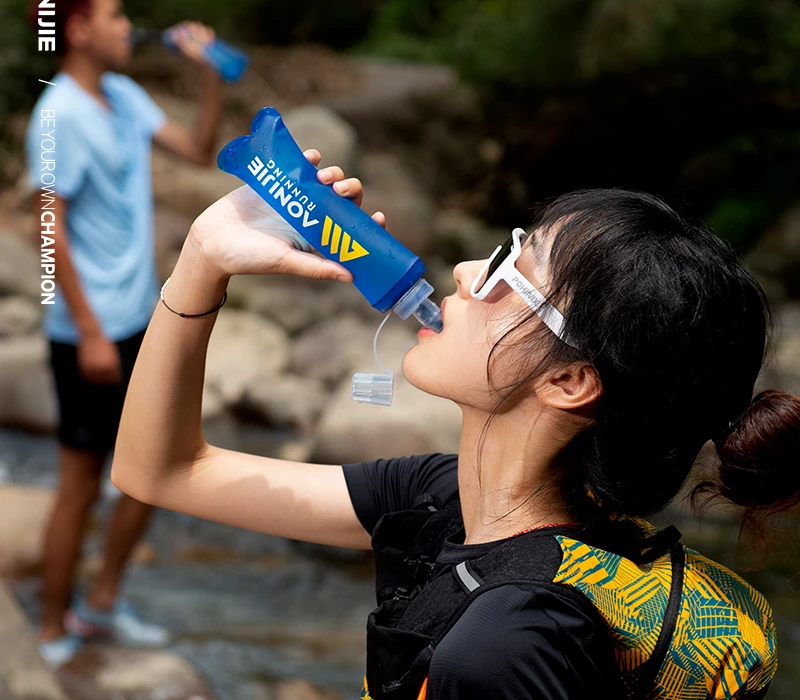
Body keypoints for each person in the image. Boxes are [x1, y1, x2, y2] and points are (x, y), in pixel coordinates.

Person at [111, 167, 798, 698]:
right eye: (505, 248)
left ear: (568, 382)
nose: (469, 273)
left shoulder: (507, 646)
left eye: (511, 274)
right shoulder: (445, 500)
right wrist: (204, 255)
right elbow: (160, 471)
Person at [24, 0, 224, 667]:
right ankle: (49, 630)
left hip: (142, 317)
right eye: (113, 16)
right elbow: (47, 230)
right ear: (76, 30)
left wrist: (208, 76)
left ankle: (101, 604)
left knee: (156, 467)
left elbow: (200, 153)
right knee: (80, 483)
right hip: (89, 333)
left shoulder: (124, 95)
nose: (125, 27)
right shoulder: (58, 117)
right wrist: (85, 331)